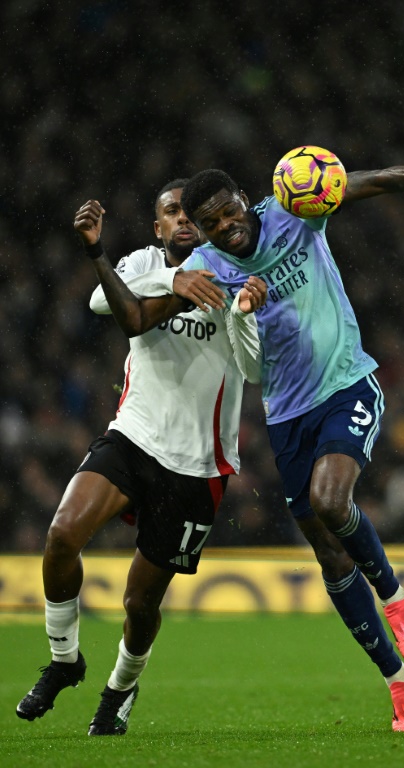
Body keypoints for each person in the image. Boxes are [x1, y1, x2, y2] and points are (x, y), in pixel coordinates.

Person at [129, 158, 404, 732]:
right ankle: (400, 681)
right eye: (209, 222)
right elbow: (132, 313)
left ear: (245, 200)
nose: (225, 226)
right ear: (198, 229)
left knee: (330, 499)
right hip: (285, 413)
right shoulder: (206, 266)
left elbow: (368, 182)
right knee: (327, 552)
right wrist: (160, 277)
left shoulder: (295, 210)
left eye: (228, 211)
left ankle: (396, 598)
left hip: (347, 381)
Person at [16, 180, 268, 736]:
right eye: (170, 212)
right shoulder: (141, 262)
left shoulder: (230, 273)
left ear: (204, 224)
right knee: (61, 535)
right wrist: (175, 279)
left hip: (199, 464)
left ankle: (120, 691)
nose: (181, 219)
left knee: (139, 604)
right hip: (133, 437)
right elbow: (103, 300)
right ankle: (64, 660)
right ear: (158, 227)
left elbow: (255, 371)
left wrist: (246, 312)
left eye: (189, 213)